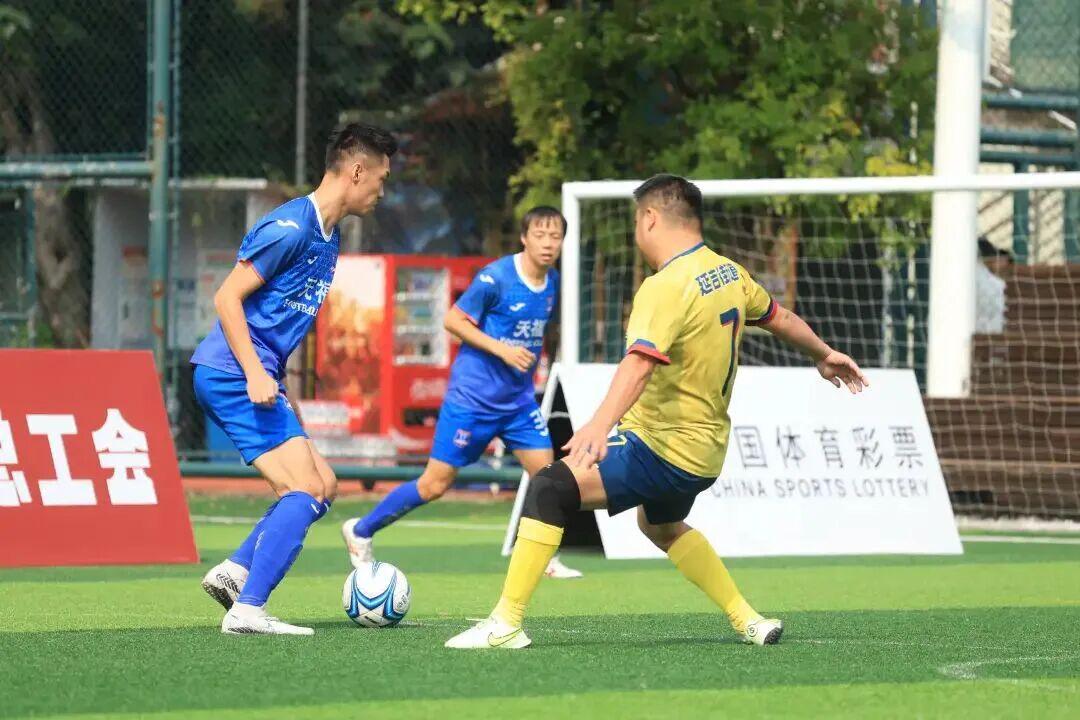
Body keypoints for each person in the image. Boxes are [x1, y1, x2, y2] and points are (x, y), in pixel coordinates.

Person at [445, 174, 868, 649]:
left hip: (660, 446)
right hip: (705, 455)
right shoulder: (729, 272)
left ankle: (504, 624)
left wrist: (598, 425)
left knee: (549, 487)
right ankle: (749, 619)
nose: (635, 232)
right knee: (660, 525)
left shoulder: (665, 285)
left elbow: (640, 363)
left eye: (635, 222)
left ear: (650, 218)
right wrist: (823, 354)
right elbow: (779, 318)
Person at [192, 123, 397, 635]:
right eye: (381, 179)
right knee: (303, 486)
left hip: (256, 375)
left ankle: (236, 572)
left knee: (323, 485)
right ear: (357, 171)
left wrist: (280, 388)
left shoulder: (329, 235)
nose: (382, 191)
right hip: (231, 372)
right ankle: (248, 610)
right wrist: (255, 374)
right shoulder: (290, 227)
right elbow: (226, 298)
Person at [341, 206, 582, 579]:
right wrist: (502, 349)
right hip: (472, 400)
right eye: (540, 235)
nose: (548, 243)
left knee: (549, 478)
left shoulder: (553, 282)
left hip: (517, 403)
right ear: (524, 238)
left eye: (555, 236)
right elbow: (452, 320)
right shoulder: (496, 277)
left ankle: (543, 557)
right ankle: (361, 530)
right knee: (434, 484)